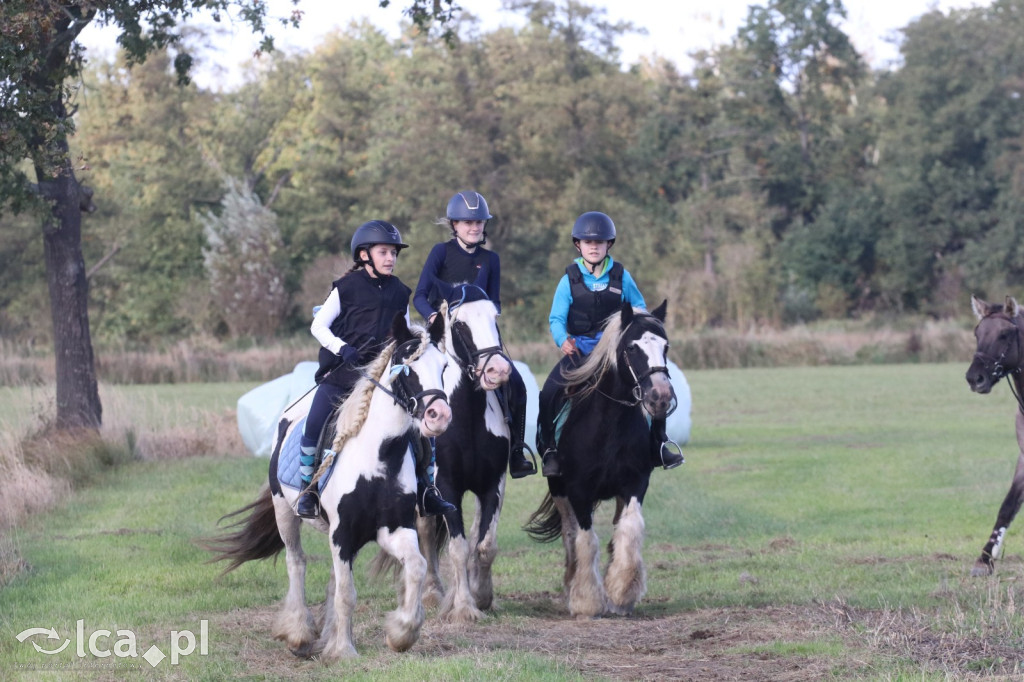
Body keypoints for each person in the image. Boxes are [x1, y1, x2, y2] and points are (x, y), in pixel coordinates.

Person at [296, 220, 456, 519]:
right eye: (384, 252)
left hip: (383, 380)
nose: (391, 258)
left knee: (421, 426)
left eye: (394, 253)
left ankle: (427, 489)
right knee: (315, 423)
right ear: (365, 255)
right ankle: (308, 491)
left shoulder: (399, 291)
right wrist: (342, 348)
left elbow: (404, 332)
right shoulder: (345, 288)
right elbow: (318, 325)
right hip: (343, 375)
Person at [536, 211, 684, 476]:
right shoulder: (568, 280)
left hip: (616, 355)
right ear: (578, 245)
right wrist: (563, 340)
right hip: (580, 351)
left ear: (609, 245)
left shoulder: (622, 277)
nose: (593, 246)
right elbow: (556, 318)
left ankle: (659, 443)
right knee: (549, 392)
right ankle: (550, 450)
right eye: (587, 242)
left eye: (600, 242)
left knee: (655, 386)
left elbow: (639, 310)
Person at [413, 190, 537, 478]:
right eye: (468, 222)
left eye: (479, 222)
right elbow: (420, 295)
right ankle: (416, 456)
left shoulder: (491, 259)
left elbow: (494, 302)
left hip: (479, 340)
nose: (474, 227)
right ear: (454, 225)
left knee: (516, 382)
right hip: (443, 338)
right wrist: (435, 317)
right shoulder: (440, 253)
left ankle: (516, 452)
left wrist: (484, 317)